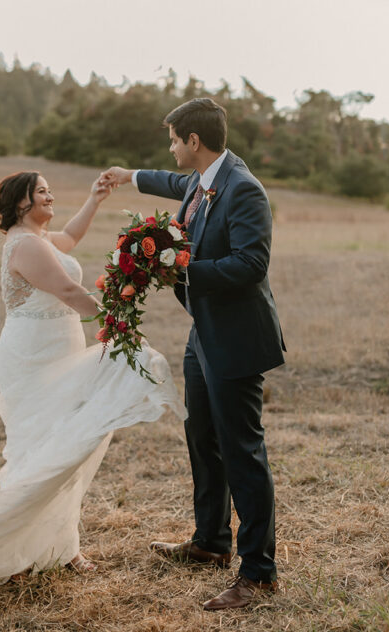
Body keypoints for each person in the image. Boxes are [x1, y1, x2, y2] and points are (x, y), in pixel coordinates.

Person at [0, 170, 182, 591]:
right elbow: (66, 289)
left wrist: (95, 200)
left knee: (66, 442)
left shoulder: (41, 240)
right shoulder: (24, 245)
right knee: (40, 447)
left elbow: (69, 238)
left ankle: (62, 546)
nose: (50, 196)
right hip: (32, 356)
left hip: (59, 350)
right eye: (42, 191)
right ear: (22, 203)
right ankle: (12, 548)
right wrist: (117, 320)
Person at [102, 97, 285, 612]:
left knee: (242, 452)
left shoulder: (243, 188)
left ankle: (258, 573)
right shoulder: (202, 181)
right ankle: (209, 543)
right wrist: (128, 174)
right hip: (203, 334)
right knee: (201, 435)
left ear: (194, 142)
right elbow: (170, 180)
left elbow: (251, 263)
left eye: (174, 140)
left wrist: (176, 268)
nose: (171, 148)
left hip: (237, 338)